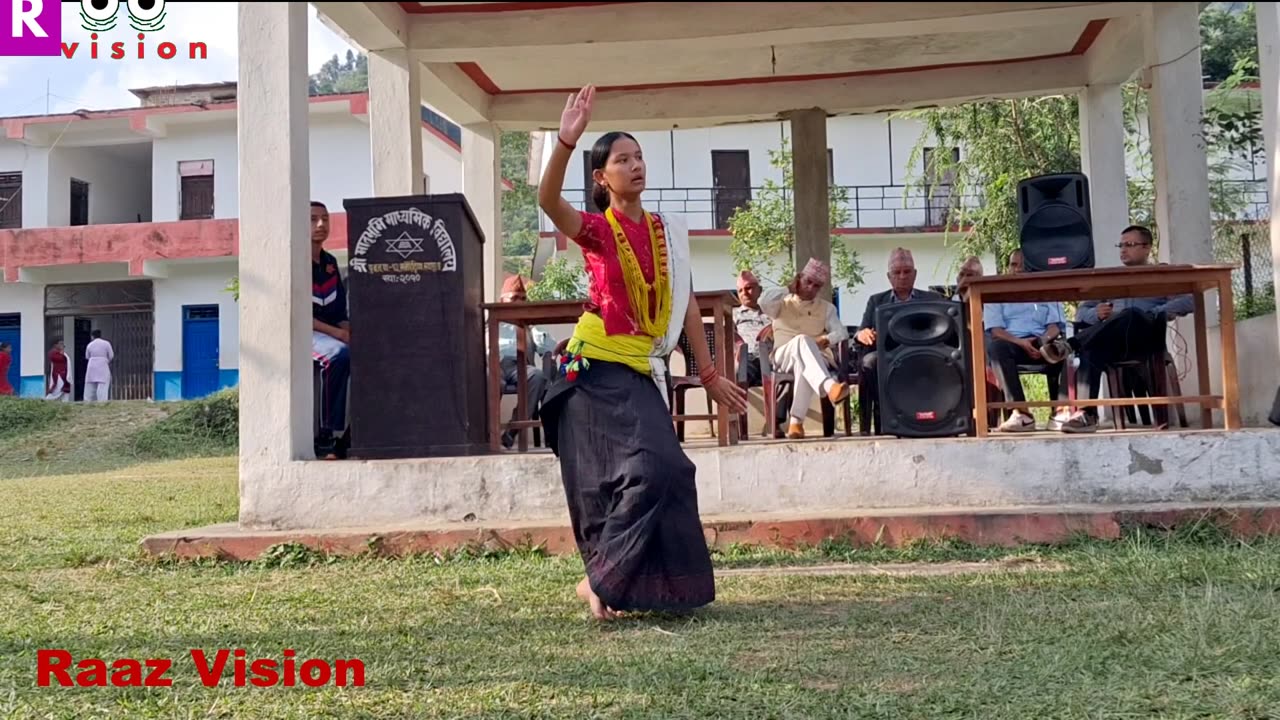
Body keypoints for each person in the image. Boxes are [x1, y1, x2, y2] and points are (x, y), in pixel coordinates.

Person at [537, 85, 748, 621]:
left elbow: (687, 301)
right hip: (592, 370)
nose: (635, 166)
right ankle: (601, 580)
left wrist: (708, 373)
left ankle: (640, 587)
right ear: (601, 178)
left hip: (642, 371)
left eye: (638, 157)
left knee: (672, 472)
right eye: (621, 160)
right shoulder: (596, 232)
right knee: (635, 474)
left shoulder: (665, 232)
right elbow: (547, 202)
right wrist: (565, 141)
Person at [1058, 225, 1194, 433]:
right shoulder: (1111, 278)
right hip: (1114, 342)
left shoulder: (1161, 274)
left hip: (1146, 339)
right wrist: (1097, 314)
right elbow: (1082, 312)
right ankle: (1086, 415)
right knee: (1091, 350)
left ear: (1147, 248)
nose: (1123, 250)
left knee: (1132, 314)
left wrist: (1156, 312)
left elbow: (1190, 300)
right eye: (1121, 245)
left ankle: (1070, 344)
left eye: (1130, 245)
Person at [758, 258, 849, 439]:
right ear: (799, 278)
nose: (810, 288)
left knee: (804, 361)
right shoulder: (781, 303)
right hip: (783, 355)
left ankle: (796, 423)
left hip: (817, 355)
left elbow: (842, 333)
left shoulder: (827, 308)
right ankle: (829, 386)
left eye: (816, 286)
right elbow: (762, 301)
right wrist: (788, 289)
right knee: (801, 341)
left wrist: (825, 339)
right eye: (808, 282)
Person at [983, 249, 1071, 432]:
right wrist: (1021, 343)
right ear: (1008, 267)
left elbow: (1056, 326)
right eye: (1014, 264)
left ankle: (1060, 412)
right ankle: (1021, 412)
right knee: (996, 348)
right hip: (1013, 344)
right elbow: (996, 331)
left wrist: (1042, 341)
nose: (1018, 269)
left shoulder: (1047, 288)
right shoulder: (995, 291)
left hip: (1044, 342)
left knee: (1064, 350)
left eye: (1023, 265)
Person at [853, 248, 945, 417]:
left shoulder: (932, 299)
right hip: (887, 354)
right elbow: (860, 332)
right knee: (869, 362)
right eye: (897, 272)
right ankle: (886, 412)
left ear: (915, 274)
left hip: (923, 353)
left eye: (907, 271)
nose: (902, 276)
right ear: (889, 276)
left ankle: (934, 411)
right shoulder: (876, 301)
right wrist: (862, 334)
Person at [497, 274, 566, 449]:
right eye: (514, 298)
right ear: (502, 301)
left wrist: (533, 327)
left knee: (537, 376)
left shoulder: (531, 326)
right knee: (490, 379)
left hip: (521, 367)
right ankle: (485, 433)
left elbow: (550, 348)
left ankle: (511, 432)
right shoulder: (492, 323)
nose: (519, 303)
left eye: (523, 299)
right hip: (496, 365)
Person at [310, 200, 352, 460]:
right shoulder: (293, 259)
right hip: (306, 333)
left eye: (325, 219)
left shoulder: (330, 263)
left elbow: (338, 312)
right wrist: (339, 335)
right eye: (313, 219)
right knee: (338, 354)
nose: (321, 224)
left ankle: (349, 436)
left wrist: (350, 332)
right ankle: (326, 434)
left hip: (330, 330)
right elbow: (300, 313)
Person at [732, 270, 771, 388]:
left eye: (748, 288)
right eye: (740, 290)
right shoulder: (733, 314)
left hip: (772, 359)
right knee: (739, 372)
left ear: (760, 290)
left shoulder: (772, 312)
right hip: (747, 358)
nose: (744, 293)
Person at [84, 330, 114, 402]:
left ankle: (88, 401)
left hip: (92, 365)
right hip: (103, 364)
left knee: (90, 384)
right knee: (102, 384)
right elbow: (111, 355)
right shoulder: (106, 343)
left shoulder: (90, 345)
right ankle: (102, 401)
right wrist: (107, 360)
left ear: (92, 336)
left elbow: (87, 356)